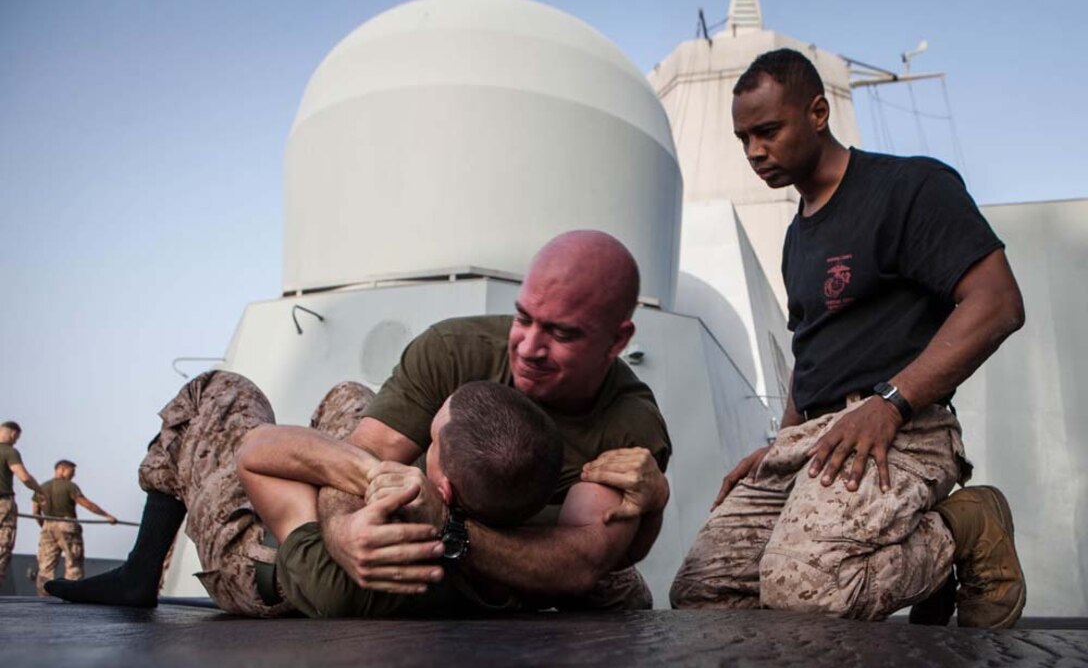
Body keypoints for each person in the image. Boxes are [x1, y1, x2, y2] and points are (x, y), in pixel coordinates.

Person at [48, 230, 672, 614]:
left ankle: (141, 574)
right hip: (438, 566)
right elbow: (365, 452)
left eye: (561, 333)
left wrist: (428, 526)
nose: (528, 347)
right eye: (523, 317)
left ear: (619, 340)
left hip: (288, 571)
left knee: (218, 392)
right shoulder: (457, 350)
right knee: (352, 398)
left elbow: (582, 562)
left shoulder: (629, 428)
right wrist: (349, 532)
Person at [670, 49, 1027, 628]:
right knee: (703, 593)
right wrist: (780, 443)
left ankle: (963, 528)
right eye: (742, 139)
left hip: (904, 428)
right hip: (813, 439)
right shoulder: (796, 237)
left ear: (817, 112)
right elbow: (810, 351)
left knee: (806, 591)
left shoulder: (908, 187)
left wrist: (891, 402)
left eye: (767, 131)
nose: (754, 152)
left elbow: (997, 302)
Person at [238, 380, 565, 617]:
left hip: (264, 560)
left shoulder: (348, 577)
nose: (424, 440)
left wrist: (374, 473)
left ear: (444, 490)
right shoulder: (548, 546)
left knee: (226, 394)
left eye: (432, 440)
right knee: (348, 395)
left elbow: (253, 454)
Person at [32, 459, 118, 596]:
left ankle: (44, 596)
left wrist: (45, 526)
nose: (73, 476)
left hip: (47, 526)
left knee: (45, 567)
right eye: (71, 472)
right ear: (61, 469)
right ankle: (71, 595)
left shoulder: (41, 488)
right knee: (74, 563)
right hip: (67, 525)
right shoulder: (69, 486)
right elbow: (87, 504)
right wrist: (107, 516)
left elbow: (35, 512)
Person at [1, 421, 45, 590]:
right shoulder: (9, 452)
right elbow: (24, 477)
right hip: (3, 503)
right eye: (17, 437)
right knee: (2, 545)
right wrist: (39, 490)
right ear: (12, 433)